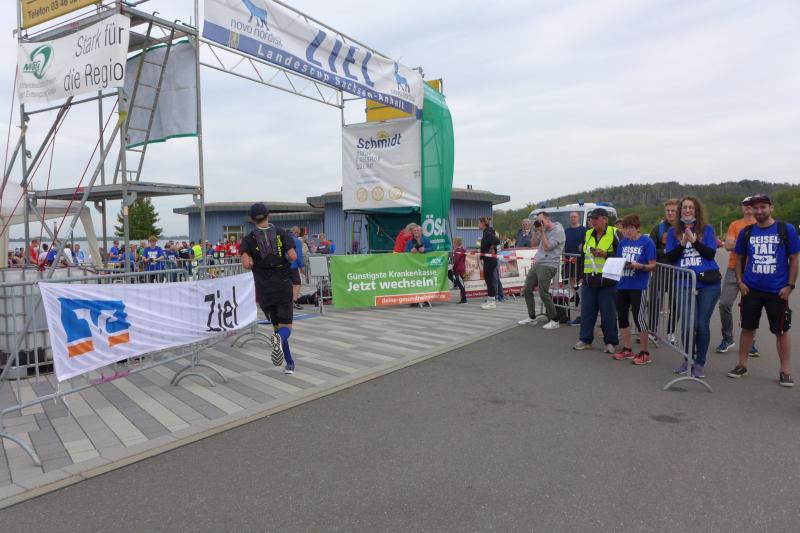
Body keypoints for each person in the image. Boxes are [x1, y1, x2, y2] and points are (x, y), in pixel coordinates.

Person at [728, 194, 800, 387]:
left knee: (781, 330)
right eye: (755, 208)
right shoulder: (747, 232)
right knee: (747, 328)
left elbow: (794, 259)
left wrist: (790, 285)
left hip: (778, 291)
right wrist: (740, 282)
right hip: (751, 289)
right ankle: (742, 365)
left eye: (762, 207)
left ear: (771, 207)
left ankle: (785, 371)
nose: (759, 211)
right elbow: (739, 258)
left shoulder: (786, 229)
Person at [664, 196, 721, 379]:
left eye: (691, 207)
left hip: (708, 284)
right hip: (684, 283)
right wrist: (682, 244)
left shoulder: (707, 229)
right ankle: (687, 359)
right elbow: (671, 257)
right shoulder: (672, 232)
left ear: (696, 210)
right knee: (689, 325)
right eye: (684, 207)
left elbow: (711, 254)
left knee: (702, 325)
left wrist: (695, 241)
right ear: (680, 211)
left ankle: (699, 363)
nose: (687, 210)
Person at [240, 203, 298, 374]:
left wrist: (255, 262)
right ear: (269, 216)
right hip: (282, 284)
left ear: (252, 220)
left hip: (264, 287)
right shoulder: (281, 233)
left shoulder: (248, 239)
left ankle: (289, 363)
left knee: (277, 327)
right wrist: (285, 258)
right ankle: (284, 352)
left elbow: (246, 264)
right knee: (285, 328)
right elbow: (293, 256)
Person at [716, 197, 760, 356]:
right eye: (745, 205)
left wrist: (739, 244)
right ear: (742, 208)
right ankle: (727, 338)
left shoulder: (760, 224)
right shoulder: (735, 224)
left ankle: (750, 342)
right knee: (724, 303)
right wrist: (750, 244)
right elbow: (728, 245)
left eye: (751, 205)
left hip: (754, 269)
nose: (748, 207)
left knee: (750, 307)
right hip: (734, 268)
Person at [573, 208, 620, 353]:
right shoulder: (588, 233)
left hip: (608, 282)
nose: (592, 221)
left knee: (608, 314)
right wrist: (581, 275)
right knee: (587, 313)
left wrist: (606, 254)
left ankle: (610, 342)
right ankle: (585, 340)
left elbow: (621, 255)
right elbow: (583, 256)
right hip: (589, 281)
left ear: (605, 219)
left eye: (595, 218)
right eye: (591, 219)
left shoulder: (615, 233)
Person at [612, 215, 656, 364]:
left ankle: (644, 352)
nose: (627, 231)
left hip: (639, 285)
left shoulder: (647, 242)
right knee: (622, 317)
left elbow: (653, 265)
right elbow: (619, 260)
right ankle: (627, 349)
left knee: (639, 318)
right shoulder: (623, 242)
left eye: (631, 228)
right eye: (625, 228)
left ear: (637, 228)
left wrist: (641, 266)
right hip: (623, 284)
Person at [519, 211, 566, 329]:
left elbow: (547, 247)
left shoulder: (558, 231)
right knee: (527, 289)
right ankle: (532, 317)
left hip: (549, 264)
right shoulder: (541, 229)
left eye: (541, 221)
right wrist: (536, 231)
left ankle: (555, 320)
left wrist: (542, 232)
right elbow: (533, 244)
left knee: (543, 293)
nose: (539, 223)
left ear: (547, 219)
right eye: (537, 221)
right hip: (538, 262)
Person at [649, 199, 679, 343]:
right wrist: (667, 251)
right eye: (668, 211)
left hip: (678, 272)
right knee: (654, 301)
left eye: (673, 210)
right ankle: (652, 331)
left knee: (676, 304)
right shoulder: (658, 229)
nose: (670, 213)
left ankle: (671, 332)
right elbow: (651, 250)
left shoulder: (684, 228)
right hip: (660, 270)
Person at [563, 211, 586, 326]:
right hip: (569, 258)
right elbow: (564, 244)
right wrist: (563, 255)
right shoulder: (566, 230)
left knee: (580, 278)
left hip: (580, 258)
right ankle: (575, 293)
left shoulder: (584, 230)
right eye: (571, 217)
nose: (573, 218)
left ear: (578, 218)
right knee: (571, 277)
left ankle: (580, 295)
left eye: (575, 217)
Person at [479, 217, 501, 309]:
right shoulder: (486, 232)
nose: (478, 225)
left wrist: (491, 248)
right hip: (487, 259)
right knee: (488, 280)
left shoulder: (488, 232)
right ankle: (490, 299)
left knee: (489, 280)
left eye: (479, 223)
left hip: (490, 259)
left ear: (483, 223)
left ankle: (492, 302)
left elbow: (497, 241)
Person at [289, 226, 305, 309]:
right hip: (293, 265)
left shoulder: (282, 239)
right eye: (298, 233)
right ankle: (294, 301)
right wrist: (302, 266)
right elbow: (298, 255)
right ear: (296, 232)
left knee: (287, 284)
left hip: (282, 266)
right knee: (297, 283)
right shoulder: (296, 241)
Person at [450, 237, 467, 304]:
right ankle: (463, 298)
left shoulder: (457, 251)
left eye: (453, 243)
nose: (453, 244)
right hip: (462, 267)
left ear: (456, 244)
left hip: (458, 269)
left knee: (461, 285)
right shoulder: (463, 249)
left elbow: (456, 261)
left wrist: (453, 268)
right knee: (461, 283)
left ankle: (464, 299)